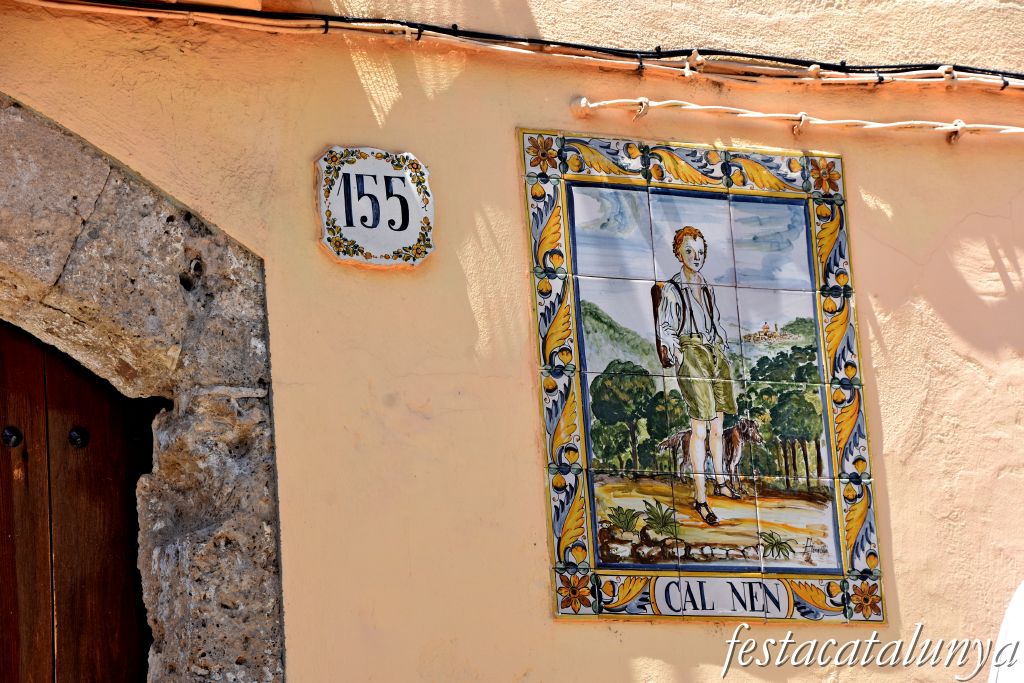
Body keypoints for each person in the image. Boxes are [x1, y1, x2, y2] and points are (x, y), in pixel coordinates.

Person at [656, 226, 740, 526]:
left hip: (713, 352)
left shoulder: (706, 286)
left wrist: (722, 349)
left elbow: (716, 321)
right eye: (689, 251)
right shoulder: (672, 289)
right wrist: (678, 354)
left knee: (719, 426)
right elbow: (665, 328)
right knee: (700, 430)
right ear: (679, 253)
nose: (696, 257)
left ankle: (720, 481)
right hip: (690, 353)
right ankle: (701, 498)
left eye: (700, 252)